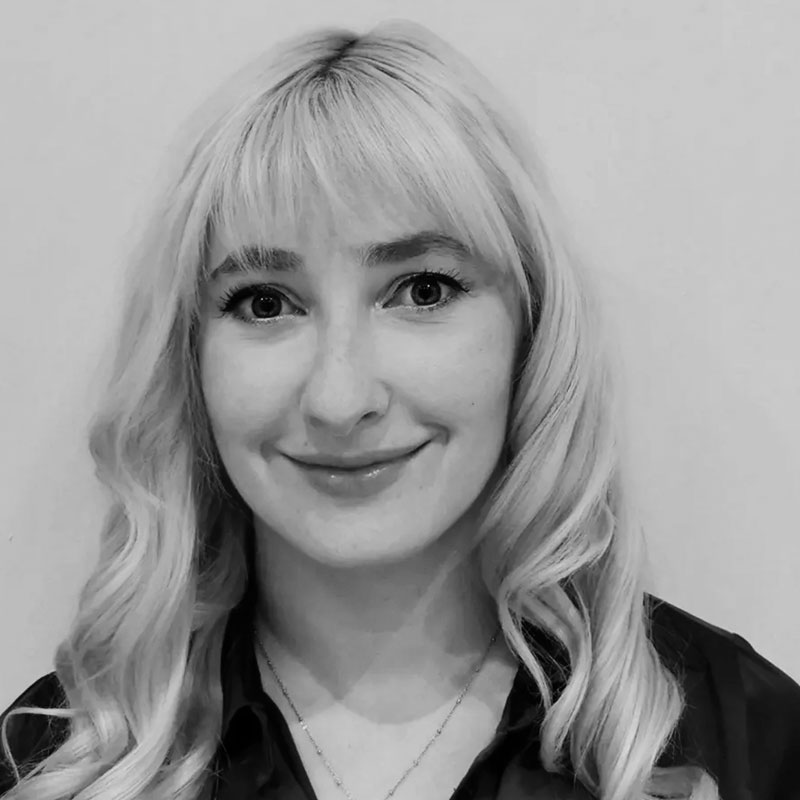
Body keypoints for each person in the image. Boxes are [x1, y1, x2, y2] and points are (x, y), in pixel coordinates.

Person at [1, 18, 799, 800]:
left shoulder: (747, 742)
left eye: (422, 290)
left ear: (531, 329)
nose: (340, 399)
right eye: (265, 302)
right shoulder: (57, 765)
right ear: (189, 358)